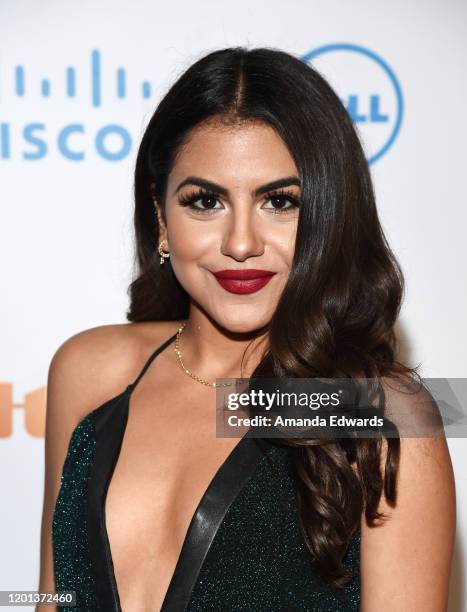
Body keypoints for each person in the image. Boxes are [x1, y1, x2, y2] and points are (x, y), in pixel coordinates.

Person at [37, 46, 456, 611]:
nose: (241, 243)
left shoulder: (377, 414)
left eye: (279, 202)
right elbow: (52, 596)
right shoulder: (89, 371)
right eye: (206, 201)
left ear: (328, 217)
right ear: (161, 217)